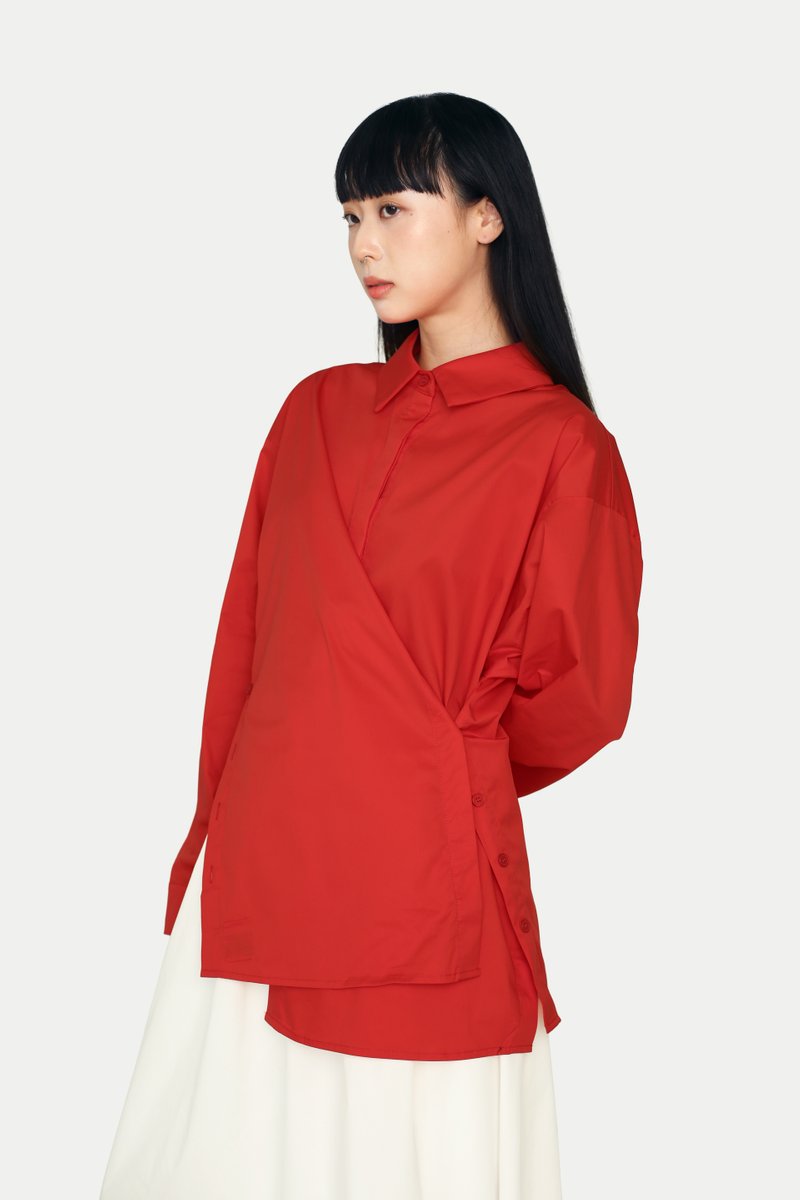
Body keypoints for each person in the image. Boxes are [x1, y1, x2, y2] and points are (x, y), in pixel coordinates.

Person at [99, 92, 643, 1200]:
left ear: (488, 216)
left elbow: (582, 700)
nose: (362, 245)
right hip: (261, 870)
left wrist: (425, 759)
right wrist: (215, 833)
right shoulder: (314, 411)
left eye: (392, 209)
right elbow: (246, 652)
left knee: (411, 1159)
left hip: (427, 885)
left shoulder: (561, 447)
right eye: (349, 217)